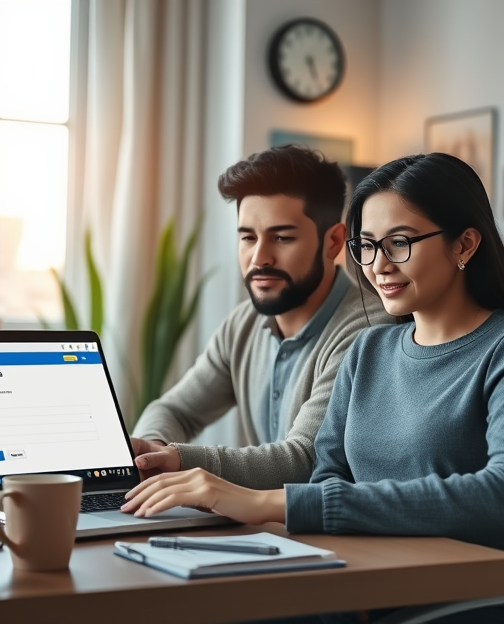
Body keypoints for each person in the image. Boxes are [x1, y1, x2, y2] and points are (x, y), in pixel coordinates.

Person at [122, 153, 504, 624]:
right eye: (368, 245)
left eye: (400, 243)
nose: (378, 266)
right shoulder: (371, 350)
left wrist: (264, 502)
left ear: (465, 244)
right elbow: (327, 478)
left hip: (480, 601)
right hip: (372, 584)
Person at [130, 145, 390, 490]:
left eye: (282, 237)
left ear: (333, 241)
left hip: (340, 536)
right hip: (270, 529)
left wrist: (178, 461)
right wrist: (153, 453)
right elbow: (176, 410)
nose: (259, 258)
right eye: (248, 237)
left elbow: (303, 460)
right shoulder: (244, 324)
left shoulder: (368, 330)